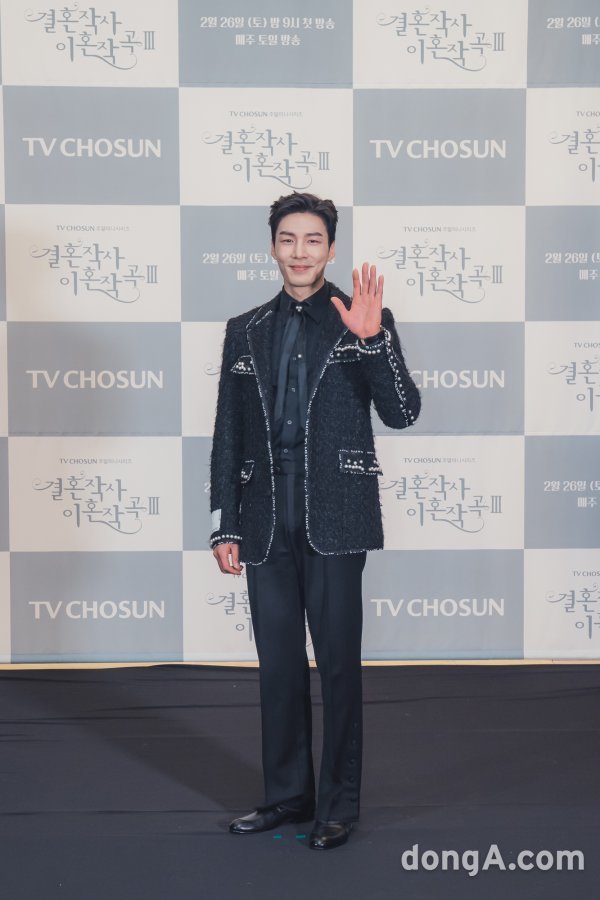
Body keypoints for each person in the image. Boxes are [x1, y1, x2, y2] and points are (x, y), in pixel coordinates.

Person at [209, 191, 420, 850]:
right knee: (277, 667)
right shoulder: (245, 328)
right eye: (288, 239)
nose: (299, 252)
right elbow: (228, 432)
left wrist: (374, 340)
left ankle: (338, 806)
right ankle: (285, 796)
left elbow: (403, 412)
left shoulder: (364, 319)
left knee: (337, 668)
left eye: (312, 240)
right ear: (273, 247)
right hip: (265, 517)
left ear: (330, 249)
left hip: (336, 515)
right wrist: (226, 523)